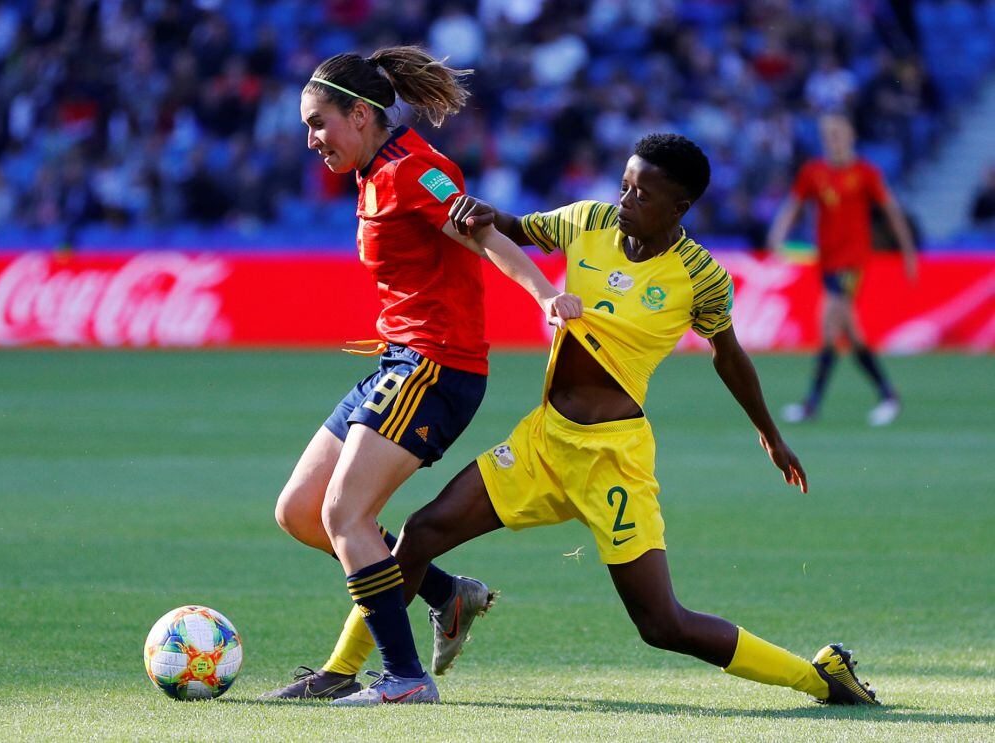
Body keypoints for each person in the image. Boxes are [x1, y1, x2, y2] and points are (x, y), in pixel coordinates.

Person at [334, 134, 879, 707]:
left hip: (613, 461)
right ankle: (344, 672)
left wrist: (770, 433)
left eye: (642, 195)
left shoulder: (700, 276)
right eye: (624, 184)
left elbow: (728, 353)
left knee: (661, 624)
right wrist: (484, 212)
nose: (625, 200)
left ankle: (821, 677)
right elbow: (517, 229)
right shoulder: (587, 221)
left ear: (679, 208)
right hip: (544, 443)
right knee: (420, 534)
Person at [262, 46, 582, 704]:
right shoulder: (372, 170)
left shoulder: (417, 171)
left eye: (318, 123)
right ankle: (446, 593)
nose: (310, 139)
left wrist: (545, 295)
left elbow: (483, 231)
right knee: (300, 512)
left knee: (346, 512)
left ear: (359, 114)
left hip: (436, 367)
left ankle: (404, 678)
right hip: (398, 363)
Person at [767, 114, 918, 426]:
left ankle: (812, 404)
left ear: (851, 135)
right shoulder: (813, 173)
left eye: (838, 132)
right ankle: (888, 395)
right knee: (850, 333)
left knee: (829, 325)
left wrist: (908, 252)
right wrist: (778, 234)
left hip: (853, 262)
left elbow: (892, 211)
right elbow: (793, 206)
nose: (832, 138)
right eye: (827, 133)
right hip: (827, 261)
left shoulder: (865, 173)